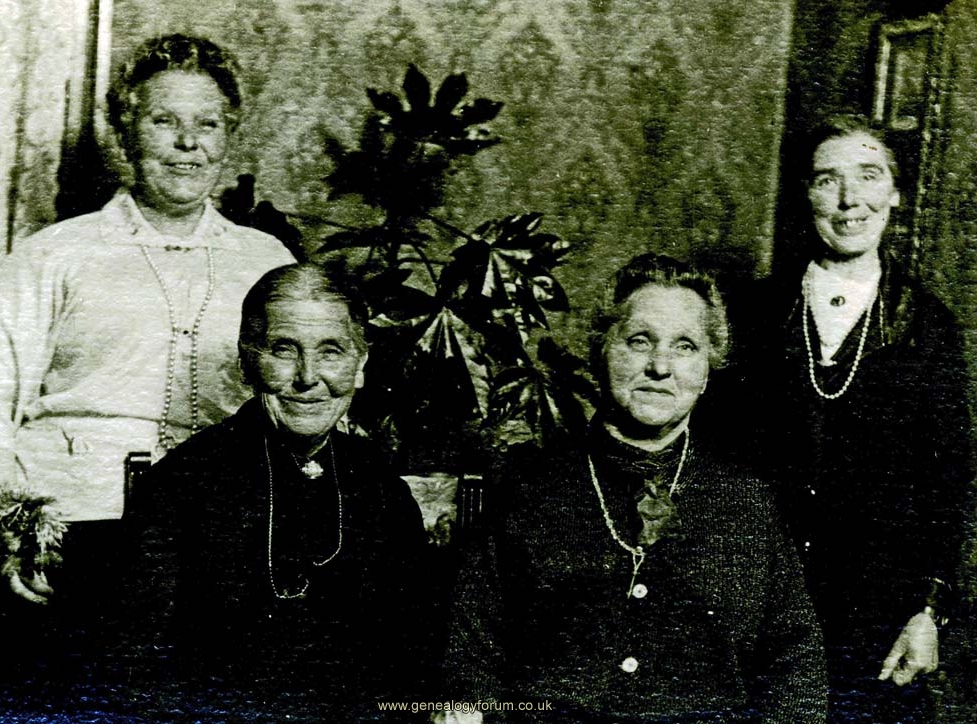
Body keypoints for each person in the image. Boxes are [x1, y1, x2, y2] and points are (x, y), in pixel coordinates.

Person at [0, 34, 292, 697]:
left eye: (207, 124)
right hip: (77, 534)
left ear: (227, 136)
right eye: (165, 121)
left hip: (225, 539)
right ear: (126, 133)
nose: (188, 144)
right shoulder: (56, 253)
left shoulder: (267, 261)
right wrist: (15, 529)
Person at [442, 254, 826, 723]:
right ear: (602, 349)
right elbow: (470, 657)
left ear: (708, 369)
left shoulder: (746, 502)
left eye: (685, 346)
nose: (660, 366)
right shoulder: (529, 490)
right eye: (639, 341)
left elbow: (795, 662)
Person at [726, 114, 973, 722]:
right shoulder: (753, 314)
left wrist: (928, 614)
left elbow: (946, 487)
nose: (849, 200)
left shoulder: (928, 327)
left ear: (896, 192)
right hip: (756, 604)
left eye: (869, 175)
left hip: (877, 621)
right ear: (805, 195)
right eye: (827, 180)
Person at [122, 263, 431, 720]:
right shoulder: (180, 486)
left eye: (331, 352)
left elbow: (413, 652)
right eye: (284, 350)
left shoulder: (381, 486)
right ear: (247, 361)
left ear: (360, 365)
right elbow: (140, 669)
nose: (307, 377)